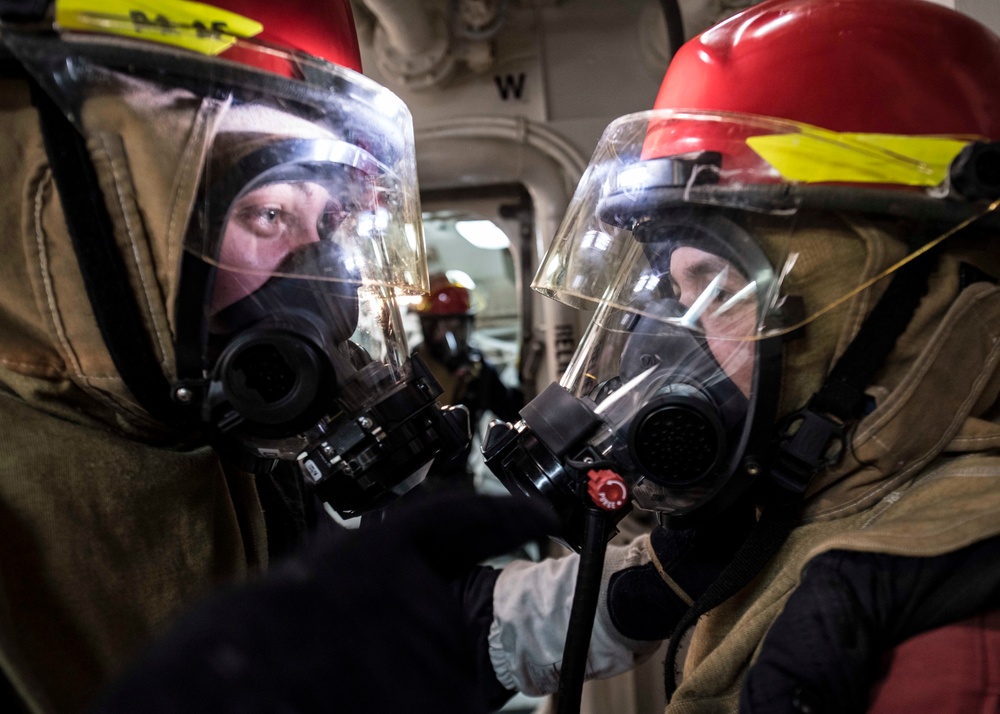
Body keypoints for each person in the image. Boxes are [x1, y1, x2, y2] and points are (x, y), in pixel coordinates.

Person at [473, 0, 1000, 712]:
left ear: (913, 311)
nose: (681, 350)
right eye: (677, 293)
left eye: (721, 290)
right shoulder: (818, 505)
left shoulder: (953, 635)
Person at [0, 1, 490, 711]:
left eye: (329, 223)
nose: (326, 292)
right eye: (268, 212)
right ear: (82, 211)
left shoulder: (221, 453)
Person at [412, 272, 524, 483]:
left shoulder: (478, 371)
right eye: (445, 326)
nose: (453, 335)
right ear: (427, 327)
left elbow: (512, 410)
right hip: (414, 483)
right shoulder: (410, 370)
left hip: (458, 479)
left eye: (459, 326)